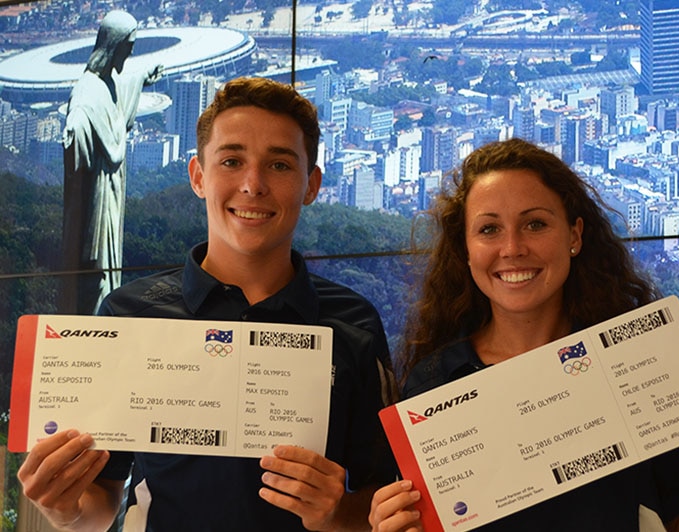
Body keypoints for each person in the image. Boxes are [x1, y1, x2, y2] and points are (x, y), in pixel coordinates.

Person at [19, 77, 398, 531]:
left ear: (311, 184)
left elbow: (383, 500)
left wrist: (337, 513)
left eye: (279, 165)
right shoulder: (130, 315)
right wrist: (65, 508)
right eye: (232, 161)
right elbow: (102, 501)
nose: (253, 185)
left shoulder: (353, 323)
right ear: (199, 176)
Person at [368, 138, 679, 531]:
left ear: (574, 235)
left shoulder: (636, 367)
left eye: (535, 224)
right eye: (489, 229)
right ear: (465, 249)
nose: (512, 248)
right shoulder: (433, 386)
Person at [61, 9, 163, 315]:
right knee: (99, 271)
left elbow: (118, 90)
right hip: (99, 196)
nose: (130, 52)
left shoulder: (107, 82)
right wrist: (74, 129)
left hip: (112, 192)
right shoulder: (87, 89)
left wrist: (143, 76)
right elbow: (79, 114)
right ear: (114, 45)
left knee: (109, 267)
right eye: (128, 46)